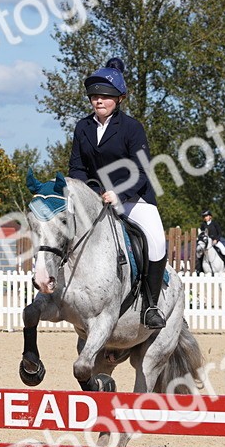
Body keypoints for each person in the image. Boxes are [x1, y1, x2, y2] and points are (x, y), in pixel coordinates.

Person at [67, 57, 168, 329]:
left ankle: (151, 305)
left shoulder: (132, 128)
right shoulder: (82, 127)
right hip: (95, 199)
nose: (98, 101)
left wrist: (119, 194)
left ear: (119, 98)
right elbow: (77, 167)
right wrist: (89, 192)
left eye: (105, 96)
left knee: (156, 242)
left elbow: (141, 169)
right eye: (94, 96)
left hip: (134, 198)